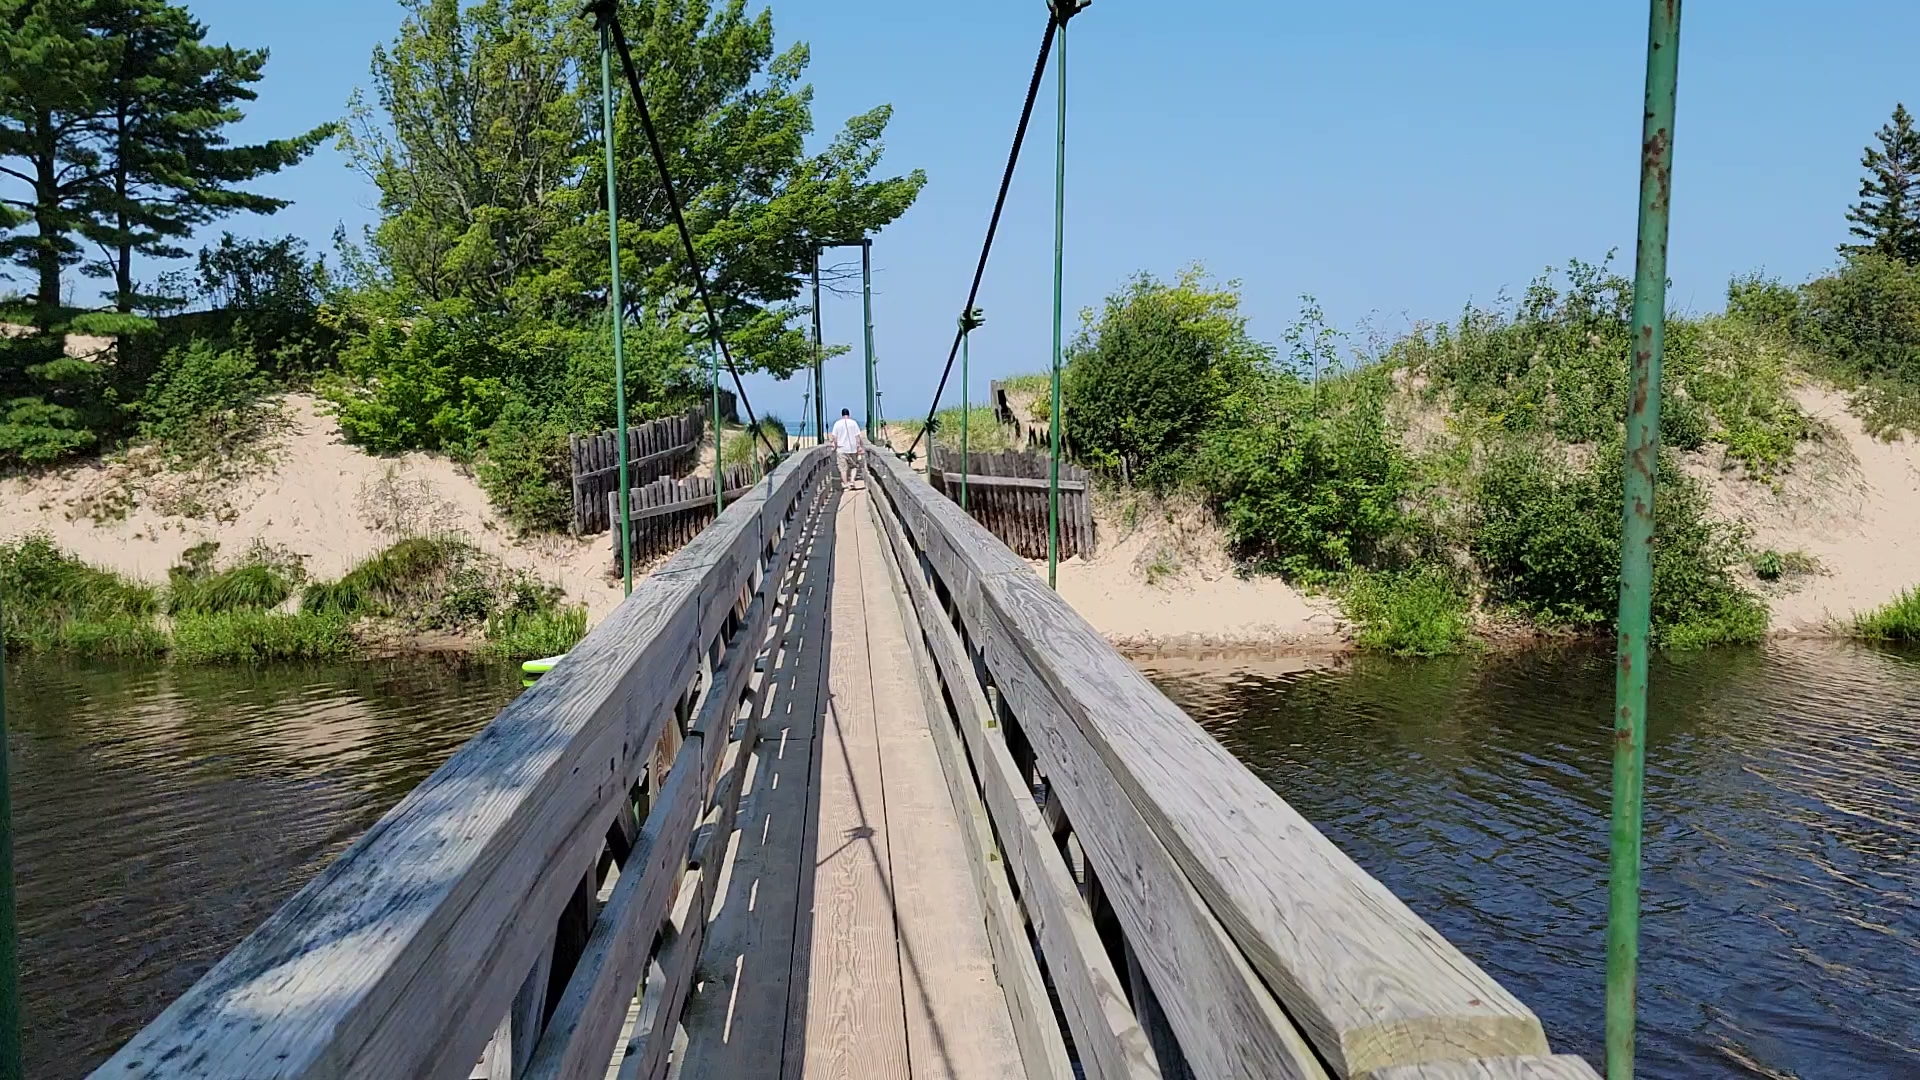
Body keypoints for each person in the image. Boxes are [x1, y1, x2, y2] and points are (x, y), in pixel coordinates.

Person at [831, 408, 865, 490]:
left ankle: (846, 485)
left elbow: (834, 437)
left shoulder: (837, 424)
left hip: (841, 449)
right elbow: (857, 436)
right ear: (849, 414)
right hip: (852, 449)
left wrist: (835, 446)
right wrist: (859, 446)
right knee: (853, 466)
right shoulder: (853, 423)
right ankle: (852, 481)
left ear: (841, 415)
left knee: (843, 469)